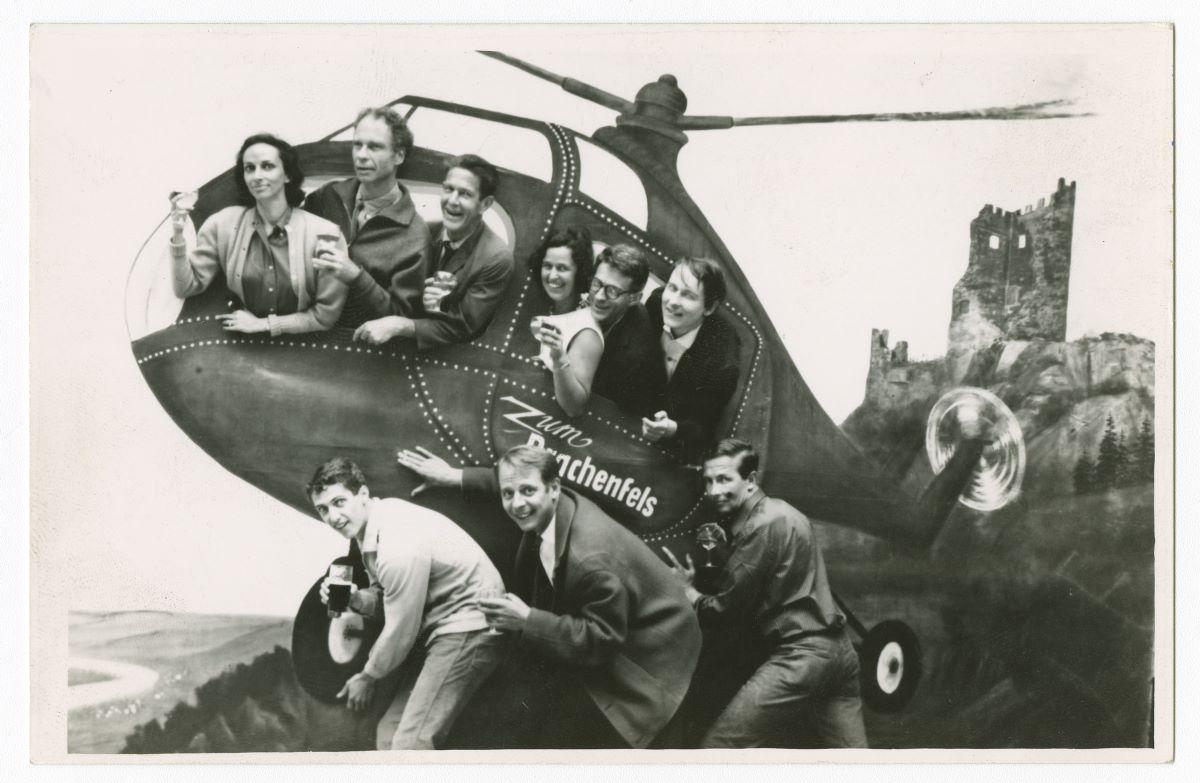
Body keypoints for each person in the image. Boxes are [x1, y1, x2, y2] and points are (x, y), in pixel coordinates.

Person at [403, 445, 701, 748]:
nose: (517, 503)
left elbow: (601, 641)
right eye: (509, 494)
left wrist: (527, 621)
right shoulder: (548, 501)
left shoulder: (590, 559)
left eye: (528, 492)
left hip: (653, 655)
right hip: (612, 628)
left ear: (554, 488)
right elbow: (510, 480)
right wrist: (454, 476)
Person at [662, 439, 869, 749]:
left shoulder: (759, 526)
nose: (714, 491)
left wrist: (688, 592)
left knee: (718, 749)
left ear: (751, 481)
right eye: (708, 480)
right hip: (841, 656)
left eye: (724, 479)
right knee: (857, 766)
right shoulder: (785, 512)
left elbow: (724, 610)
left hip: (801, 658)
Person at [306, 457, 506, 750]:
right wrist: (354, 599)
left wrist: (368, 676)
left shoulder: (397, 543)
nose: (333, 517)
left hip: (471, 625)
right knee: (389, 734)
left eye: (339, 502)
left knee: (410, 745)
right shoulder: (374, 528)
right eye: (323, 509)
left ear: (362, 495)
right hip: (443, 627)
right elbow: (390, 601)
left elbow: (402, 628)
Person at [169, 133, 348, 335]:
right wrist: (178, 234)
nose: (257, 176)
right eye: (249, 168)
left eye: (267, 166)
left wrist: (264, 325)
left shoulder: (326, 235)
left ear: (287, 174)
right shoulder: (222, 224)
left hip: (304, 349)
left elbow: (325, 317)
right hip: (245, 348)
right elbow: (186, 287)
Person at [351, 154, 514, 349]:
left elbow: (462, 327)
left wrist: (400, 325)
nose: (452, 201)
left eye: (465, 194)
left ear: (485, 204)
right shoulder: (423, 231)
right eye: (448, 189)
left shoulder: (496, 258)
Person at [304, 107, 431, 329]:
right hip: (306, 329)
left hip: (355, 349)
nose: (361, 155)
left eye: (374, 147)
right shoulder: (326, 196)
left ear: (399, 155)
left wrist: (354, 276)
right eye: (357, 145)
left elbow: (401, 317)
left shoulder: (416, 235)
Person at [642, 258, 741, 461]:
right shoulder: (655, 304)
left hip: (673, 453)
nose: (673, 301)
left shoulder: (723, 361)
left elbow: (703, 428)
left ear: (710, 308)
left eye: (688, 295)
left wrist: (672, 429)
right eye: (672, 288)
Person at [528, 228, 602, 417]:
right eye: (547, 266)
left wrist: (560, 359)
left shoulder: (587, 332)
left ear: (580, 272)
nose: (552, 276)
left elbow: (574, 407)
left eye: (562, 268)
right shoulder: (549, 306)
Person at [586, 244, 659, 416]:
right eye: (597, 284)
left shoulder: (635, 358)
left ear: (634, 299)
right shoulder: (599, 301)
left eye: (612, 291)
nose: (599, 297)